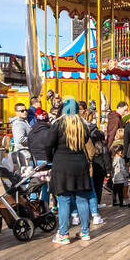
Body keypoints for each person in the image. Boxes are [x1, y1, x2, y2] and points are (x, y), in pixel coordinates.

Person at [50, 100, 96, 245]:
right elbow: (87, 141)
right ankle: (85, 232)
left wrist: (50, 158)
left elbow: (48, 144)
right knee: (82, 199)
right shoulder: (82, 125)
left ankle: (63, 234)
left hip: (61, 165)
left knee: (63, 200)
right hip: (80, 165)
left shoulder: (58, 124)